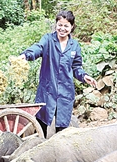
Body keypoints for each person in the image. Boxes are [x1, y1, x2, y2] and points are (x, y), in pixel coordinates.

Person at [20, 10, 97, 138]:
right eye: (59, 25)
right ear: (56, 25)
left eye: (66, 26)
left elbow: (76, 67)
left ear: (71, 27)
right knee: (41, 127)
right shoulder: (48, 40)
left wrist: (84, 76)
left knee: (62, 131)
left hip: (65, 93)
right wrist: (26, 55)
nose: (62, 29)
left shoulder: (74, 46)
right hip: (47, 91)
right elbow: (38, 48)